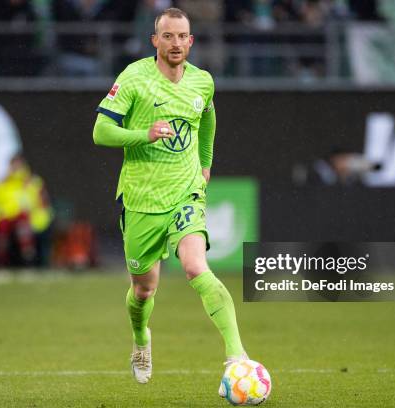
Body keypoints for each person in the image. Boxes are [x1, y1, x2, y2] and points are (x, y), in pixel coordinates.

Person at [92, 7, 248, 385]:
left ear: (191, 41)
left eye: (182, 37)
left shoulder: (202, 82)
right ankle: (141, 338)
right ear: (155, 41)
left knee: (196, 266)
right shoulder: (134, 78)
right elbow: (101, 132)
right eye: (168, 36)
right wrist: (142, 134)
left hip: (186, 192)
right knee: (144, 290)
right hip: (142, 199)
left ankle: (237, 356)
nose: (176, 43)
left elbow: (207, 119)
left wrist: (206, 163)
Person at [0, 153, 53, 266]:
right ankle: (1, 261)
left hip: (28, 219)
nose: (16, 169)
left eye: (18, 166)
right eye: (14, 166)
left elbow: (44, 204)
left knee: (22, 223)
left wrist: (39, 218)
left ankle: (28, 259)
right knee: (2, 227)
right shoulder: (0, 184)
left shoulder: (33, 182)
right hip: (4, 219)